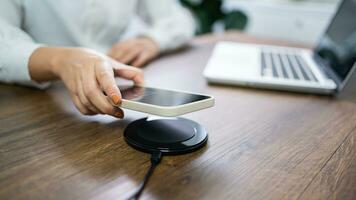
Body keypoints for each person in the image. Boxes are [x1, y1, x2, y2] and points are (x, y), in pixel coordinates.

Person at [0, 0, 195, 118]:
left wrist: (151, 40)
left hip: (111, 85)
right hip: (26, 102)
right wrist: (59, 60)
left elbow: (179, 18)